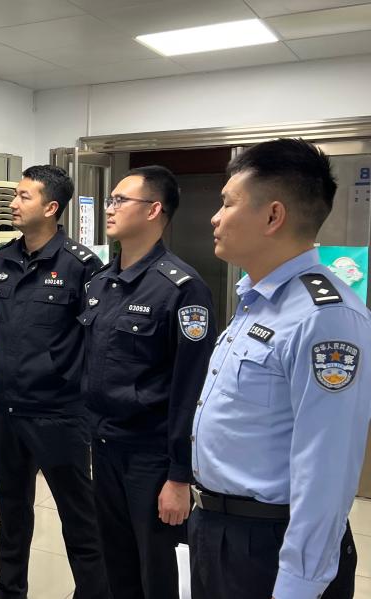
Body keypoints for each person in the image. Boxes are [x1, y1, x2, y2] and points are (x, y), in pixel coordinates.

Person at [191, 138, 370, 599]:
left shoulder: (324, 316)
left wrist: (298, 585)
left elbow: (327, 470)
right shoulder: (257, 300)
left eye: (228, 203)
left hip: (270, 545)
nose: (215, 218)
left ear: (273, 216)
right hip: (218, 529)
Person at [78, 166, 215, 599]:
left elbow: (191, 390)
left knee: (159, 573)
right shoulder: (101, 282)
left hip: (151, 458)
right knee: (117, 566)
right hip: (105, 448)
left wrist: (179, 477)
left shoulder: (183, 288)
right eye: (110, 200)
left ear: (154, 210)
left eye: (120, 200)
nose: (110, 208)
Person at [0, 165, 109, 599]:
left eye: (24, 196)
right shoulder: (2, 259)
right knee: (12, 514)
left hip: (59, 413)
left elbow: (97, 341)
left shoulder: (82, 266)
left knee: (79, 518)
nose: (13, 203)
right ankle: (9, 591)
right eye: (15, 195)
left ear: (51, 207)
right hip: (9, 408)